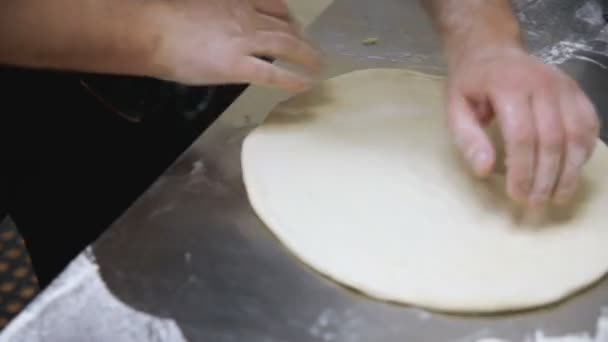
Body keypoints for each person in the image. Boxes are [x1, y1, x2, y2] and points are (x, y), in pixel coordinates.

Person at [0, 0, 600, 286]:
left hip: (227, 34)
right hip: (63, 91)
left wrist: (484, 35)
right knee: (125, 260)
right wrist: (144, 34)